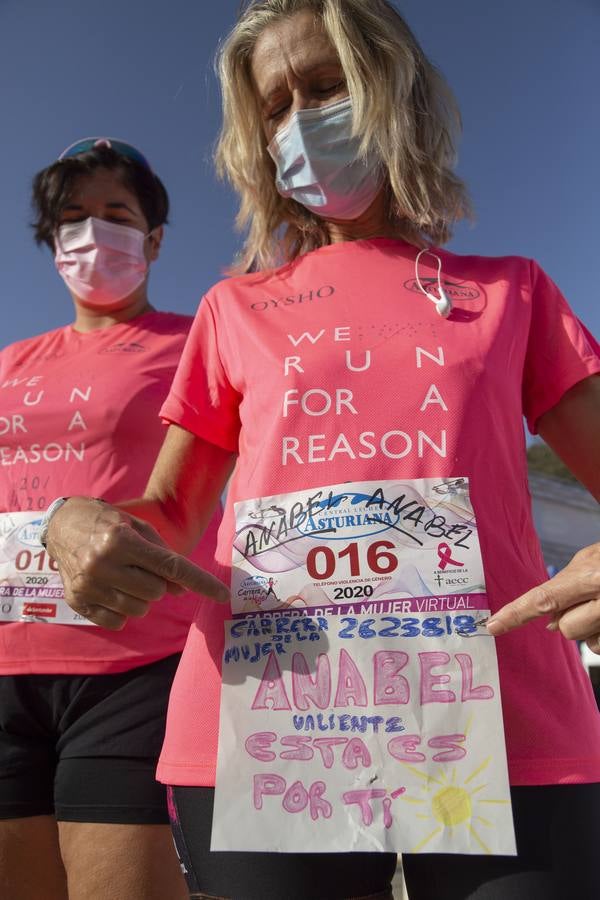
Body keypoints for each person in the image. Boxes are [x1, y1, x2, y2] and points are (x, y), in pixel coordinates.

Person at [44, 2, 600, 898]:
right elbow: (172, 511)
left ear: (394, 90)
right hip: (265, 723)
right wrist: (76, 521)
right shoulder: (233, 309)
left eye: (328, 84)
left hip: (502, 728)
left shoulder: (514, 293)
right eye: (275, 103)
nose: (302, 118)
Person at [0, 138, 225, 900]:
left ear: (155, 239)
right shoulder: (11, 361)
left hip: (134, 665)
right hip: (6, 666)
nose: (92, 234)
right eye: (72, 218)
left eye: (116, 215)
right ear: (50, 242)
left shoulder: (198, 342)